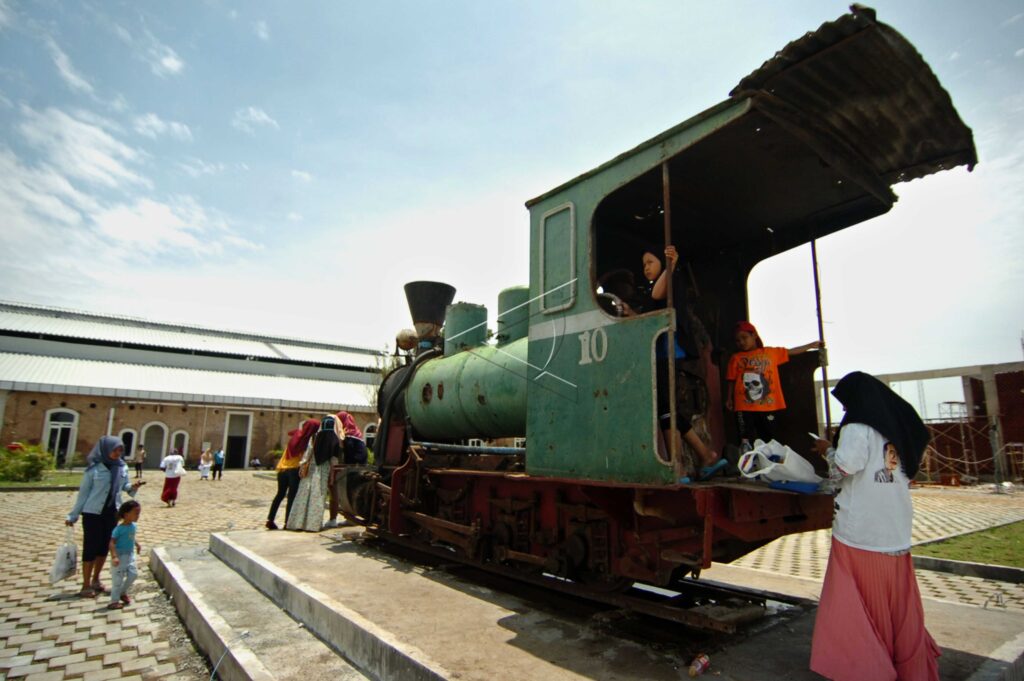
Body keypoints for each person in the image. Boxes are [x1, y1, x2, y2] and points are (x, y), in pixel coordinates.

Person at [810, 371, 939, 681]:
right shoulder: (897, 428)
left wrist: (827, 449)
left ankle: (868, 667)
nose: (844, 411)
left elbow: (845, 467)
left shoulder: (857, 425)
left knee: (860, 606)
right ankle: (908, 665)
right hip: (895, 531)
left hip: (861, 533)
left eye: (844, 404)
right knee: (899, 607)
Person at [638, 244, 722, 480]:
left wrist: (670, 264)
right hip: (662, 355)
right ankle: (706, 456)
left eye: (650, 262)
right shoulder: (660, 285)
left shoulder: (669, 281)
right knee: (669, 409)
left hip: (668, 354)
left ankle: (678, 468)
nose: (646, 268)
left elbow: (657, 295)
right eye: (644, 264)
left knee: (666, 410)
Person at [65, 436, 143, 598]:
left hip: (112, 513)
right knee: (90, 548)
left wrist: (133, 487)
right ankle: (85, 584)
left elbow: (126, 487)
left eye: (120, 450)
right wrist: (73, 515)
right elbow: (83, 494)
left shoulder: (122, 468)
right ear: (105, 449)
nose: (117, 453)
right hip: (93, 512)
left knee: (103, 548)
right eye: (114, 449)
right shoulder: (94, 470)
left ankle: (96, 580)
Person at [725, 320, 821, 445]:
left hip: (768, 406)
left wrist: (810, 345)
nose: (741, 342)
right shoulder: (736, 358)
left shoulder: (770, 353)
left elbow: (791, 351)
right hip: (744, 406)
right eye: (738, 340)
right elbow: (731, 379)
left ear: (754, 335)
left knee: (770, 438)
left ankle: (772, 461)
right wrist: (729, 398)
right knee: (746, 439)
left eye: (744, 337)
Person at [287, 415, 343, 532]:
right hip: (323, 471)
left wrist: (303, 465)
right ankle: (312, 525)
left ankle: (297, 523)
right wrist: (332, 476)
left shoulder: (315, 437)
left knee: (304, 495)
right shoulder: (334, 440)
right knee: (318, 497)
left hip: (311, 469)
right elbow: (334, 461)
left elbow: (308, 453)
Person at [267, 419, 319, 530]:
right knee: (292, 496)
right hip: (294, 471)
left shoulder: (295, 437)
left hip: (282, 469)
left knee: (279, 495)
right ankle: (287, 522)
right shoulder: (308, 440)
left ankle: (270, 520)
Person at [324, 411, 369, 528]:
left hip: (353, 466)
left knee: (347, 491)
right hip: (359, 465)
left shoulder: (348, 435)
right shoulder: (356, 433)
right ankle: (350, 517)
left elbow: (347, 454)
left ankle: (351, 518)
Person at [107, 500, 142, 610]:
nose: (138, 516)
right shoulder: (119, 529)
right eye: (136, 513)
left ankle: (122, 592)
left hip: (130, 555)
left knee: (133, 574)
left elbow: (131, 537)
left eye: (139, 513)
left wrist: (136, 544)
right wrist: (114, 556)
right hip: (120, 556)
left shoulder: (133, 526)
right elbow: (112, 543)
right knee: (117, 579)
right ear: (126, 514)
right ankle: (114, 601)